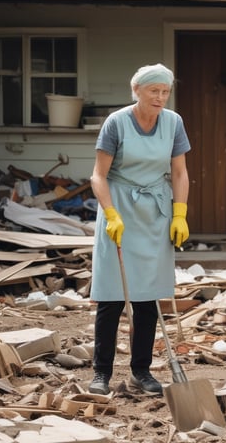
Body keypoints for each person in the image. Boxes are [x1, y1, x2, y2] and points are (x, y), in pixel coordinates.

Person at [88, 63, 191, 396]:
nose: (160, 98)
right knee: (111, 296)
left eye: (165, 92)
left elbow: (179, 172)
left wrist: (180, 213)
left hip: (154, 214)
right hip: (119, 209)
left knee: (148, 298)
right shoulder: (116, 123)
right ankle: (101, 373)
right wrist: (111, 214)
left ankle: (141, 371)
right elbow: (98, 176)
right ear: (137, 90)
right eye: (154, 91)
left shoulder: (174, 122)